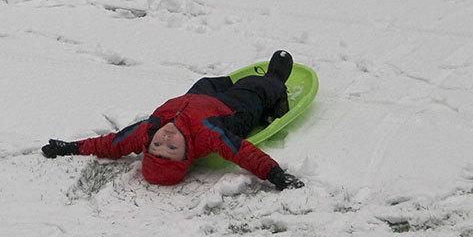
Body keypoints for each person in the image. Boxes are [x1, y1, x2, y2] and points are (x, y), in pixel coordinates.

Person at [41, 51, 305, 190]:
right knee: (254, 88)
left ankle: (231, 85)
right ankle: (275, 87)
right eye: (172, 148)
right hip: (230, 111)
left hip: (195, 99)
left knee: (205, 82)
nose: (164, 140)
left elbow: (110, 144)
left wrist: (70, 147)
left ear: (147, 144)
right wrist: (275, 174)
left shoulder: (145, 131)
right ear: (187, 153)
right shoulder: (207, 134)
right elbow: (242, 152)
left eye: (157, 146)